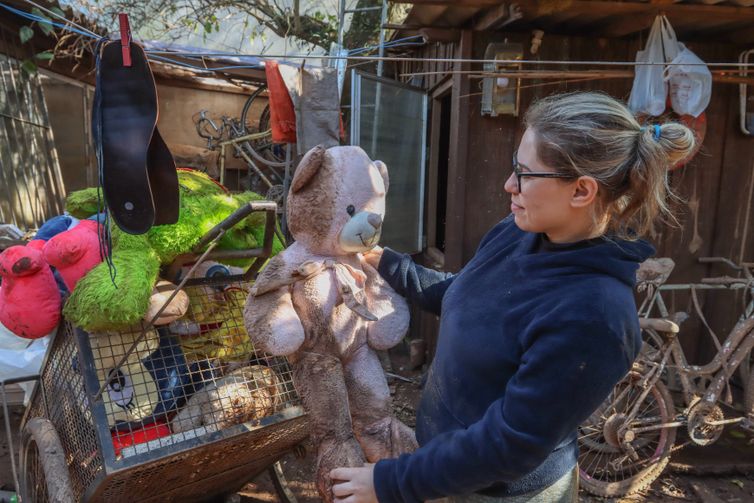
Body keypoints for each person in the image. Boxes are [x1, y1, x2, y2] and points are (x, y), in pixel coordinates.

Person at [329, 91, 696, 503]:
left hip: (499, 491)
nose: (509, 184)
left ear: (581, 191)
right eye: (513, 166)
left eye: (524, 173)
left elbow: (509, 444)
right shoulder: (519, 231)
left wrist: (390, 483)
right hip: (447, 468)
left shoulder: (595, 316)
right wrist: (390, 264)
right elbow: (466, 297)